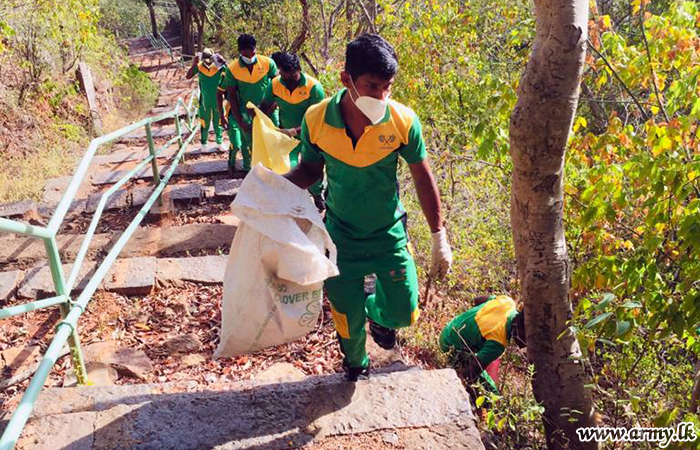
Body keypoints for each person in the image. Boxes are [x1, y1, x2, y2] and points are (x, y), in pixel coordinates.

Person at [284, 34, 453, 381]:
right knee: (346, 315)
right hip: (341, 237)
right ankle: (356, 364)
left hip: (387, 234)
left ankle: (377, 313)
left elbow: (422, 177)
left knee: (405, 311)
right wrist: (272, 189)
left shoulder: (402, 121)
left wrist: (439, 235)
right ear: (346, 79)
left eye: (387, 87)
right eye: (371, 86)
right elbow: (311, 169)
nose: (380, 97)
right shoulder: (316, 120)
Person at [259, 51, 325, 207]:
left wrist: (294, 130)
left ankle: (317, 195)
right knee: (289, 169)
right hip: (287, 137)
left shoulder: (313, 87)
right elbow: (265, 106)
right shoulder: (275, 84)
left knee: (312, 171)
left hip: (311, 137)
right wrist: (259, 120)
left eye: (291, 77)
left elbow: (316, 120)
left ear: (299, 70)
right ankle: (294, 202)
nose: (287, 81)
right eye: (283, 76)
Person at [439, 294, 526, 393]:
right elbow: (472, 371)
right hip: (449, 347)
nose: (525, 345)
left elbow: (478, 299)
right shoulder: (498, 343)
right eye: (525, 338)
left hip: (448, 329)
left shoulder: (507, 302)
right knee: (493, 393)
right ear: (520, 330)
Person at [219, 34, 278, 173]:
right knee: (252, 145)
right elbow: (232, 96)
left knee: (273, 141)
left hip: (269, 109)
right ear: (240, 51)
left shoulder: (268, 63)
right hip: (247, 113)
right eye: (246, 52)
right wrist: (240, 121)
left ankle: (275, 172)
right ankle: (255, 173)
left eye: (252, 51)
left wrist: (271, 108)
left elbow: (277, 86)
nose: (250, 55)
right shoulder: (232, 69)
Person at [186, 48, 225, 147]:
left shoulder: (219, 67)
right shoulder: (199, 67)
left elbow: (232, 73)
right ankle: (204, 144)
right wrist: (194, 64)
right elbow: (188, 76)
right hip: (204, 101)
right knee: (204, 122)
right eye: (205, 57)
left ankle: (219, 142)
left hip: (218, 99)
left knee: (219, 121)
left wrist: (223, 61)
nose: (207, 60)